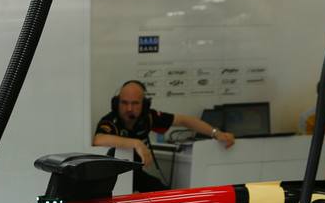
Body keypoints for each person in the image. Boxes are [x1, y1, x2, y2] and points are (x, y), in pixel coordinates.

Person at [93, 80, 235, 192]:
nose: (129, 108)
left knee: (164, 193)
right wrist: (136, 143)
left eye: (135, 103)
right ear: (116, 103)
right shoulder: (110, 120)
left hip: (136, 174)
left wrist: (216, 133)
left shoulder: (148, 117)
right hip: (113, 178)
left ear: (145, 105)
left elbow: (184, 120)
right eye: (124, 103)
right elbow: (98, 139)